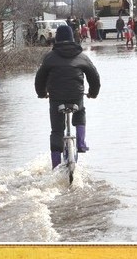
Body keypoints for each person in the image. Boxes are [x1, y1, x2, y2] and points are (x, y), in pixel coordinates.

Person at [34, 25, 101, 170]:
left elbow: (40, 78)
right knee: (80, 110)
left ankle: (55, 166)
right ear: (72, 38)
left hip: (56, 97)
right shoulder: (81, 56)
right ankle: (81, 143)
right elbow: (94, 77)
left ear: (57, 38)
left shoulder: (50, 57)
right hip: (76, 95)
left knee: (57, 131)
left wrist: (42, 93)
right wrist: (93, 93)